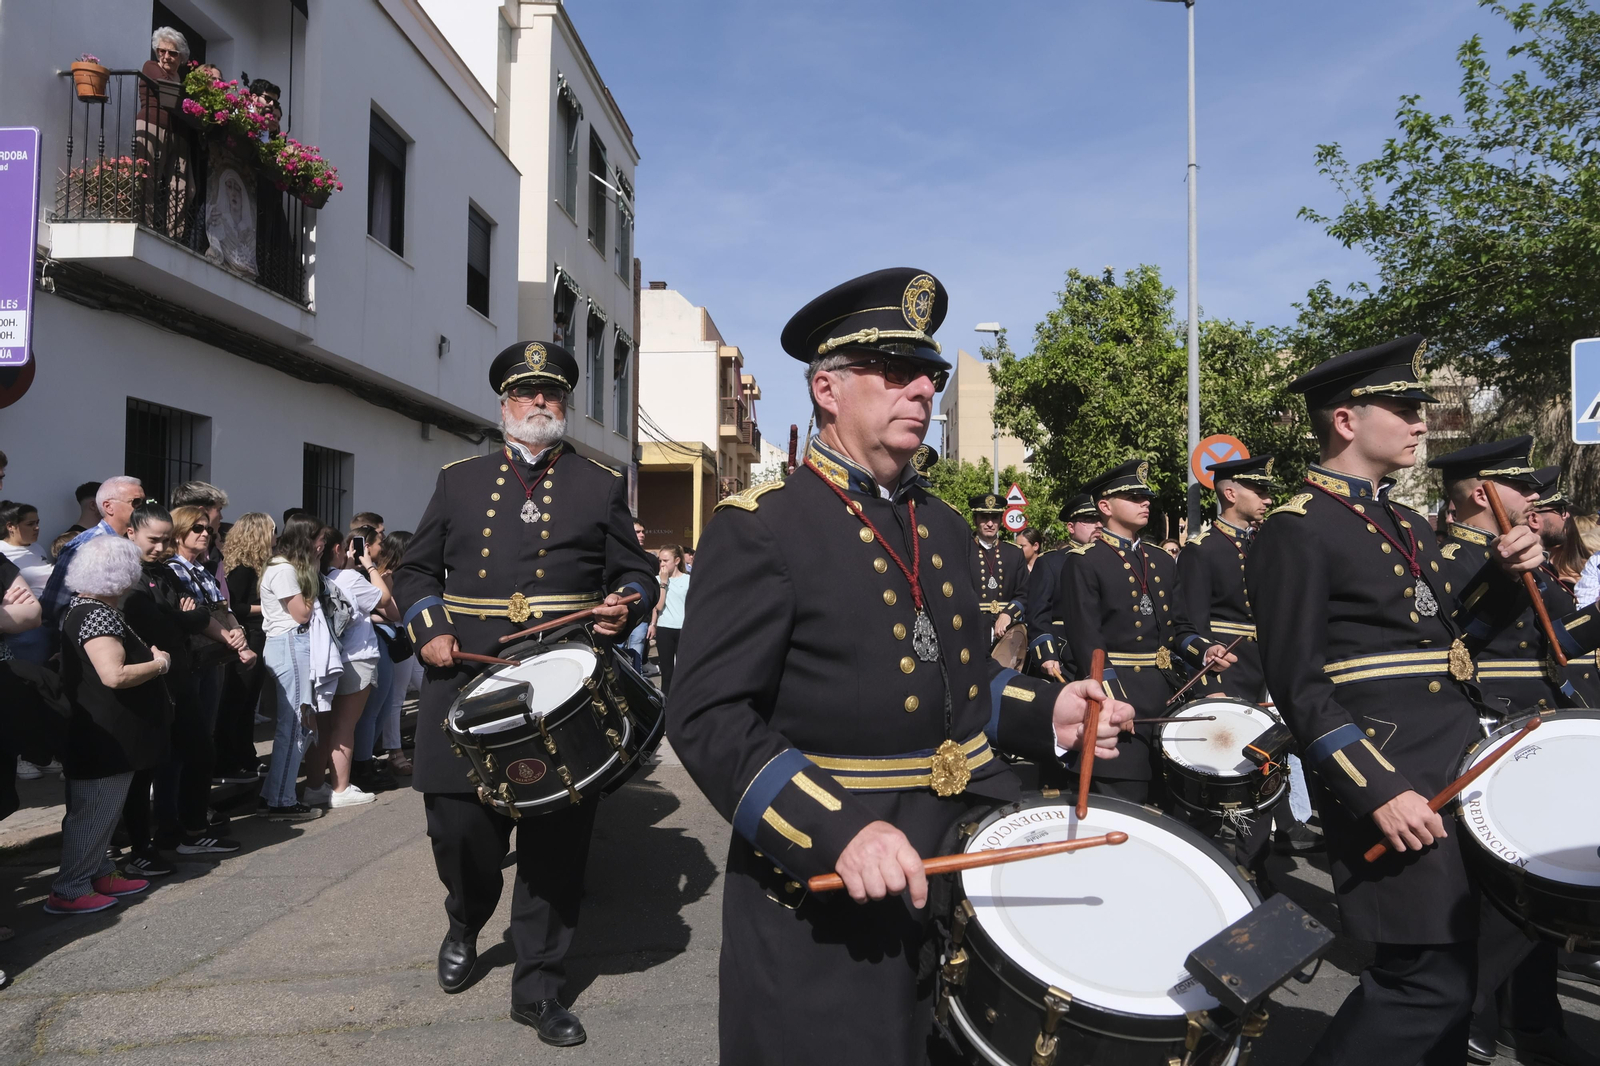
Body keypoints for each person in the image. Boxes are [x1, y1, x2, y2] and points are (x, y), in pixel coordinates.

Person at [666, 268, 1131, 1065]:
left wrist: (1040, 712)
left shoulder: (944, 525)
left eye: (932, 376)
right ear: (826, 389)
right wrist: (834, 828)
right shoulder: (763, 527)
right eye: (894, 370)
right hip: (833, 879)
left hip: (954, 862)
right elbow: (708, 716)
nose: (921, 388)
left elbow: (957, 682)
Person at [1247, 335, 1545, 1066]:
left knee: (1457, 978)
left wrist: (1505, 577)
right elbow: (1300, 686)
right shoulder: (1297, 527)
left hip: (1452, 771)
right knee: (1422, 986)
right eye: (1405, 407)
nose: (1421, 422)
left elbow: (1457, 642)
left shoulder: (1402, 522)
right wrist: (1376, 790)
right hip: (1392, 778)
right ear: (1347, 420)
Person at [392, 338, 658, 1047]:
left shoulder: (599, 484)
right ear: (504, 405)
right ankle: (466, 913)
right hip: (466, 673)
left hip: (561, 679)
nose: (540, 403)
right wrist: (430, 628)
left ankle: (539, 987)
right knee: (458, 826)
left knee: (555, 840)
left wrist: (624, 602)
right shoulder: (458, 480)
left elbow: (638, 574)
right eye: (526, 393)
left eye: (552, 394)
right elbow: (414, 573)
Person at [1426, 440, 1596, 1066]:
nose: (1536, 501)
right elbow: (1453, 641)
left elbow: (1556, 642)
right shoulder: (1443, 560)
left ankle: (1535, 1024)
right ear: (1482, 494)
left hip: (1540, 722)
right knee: (1513, 897)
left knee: (1542, 893)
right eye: (1522, 487)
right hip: (1493, 732)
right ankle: (1468, 1016)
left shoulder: (1527, 560)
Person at [1061, 459, 1234, 803]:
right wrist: (1112, 702)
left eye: (1146, 496)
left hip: (1167, 698)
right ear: (1105, 506)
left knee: (1173, 807)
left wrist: (1206, 651)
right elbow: (1088, 645)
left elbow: (1181, 628)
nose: (1146, 502)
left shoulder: (1161, 560)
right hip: (1119, 699)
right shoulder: (1084, 561)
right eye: (1134, 496)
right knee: (1125, 805)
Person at [50, 536, 172, 915]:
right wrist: (159, 664)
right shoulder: (97, 613)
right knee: (94, 813)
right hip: (104, 735)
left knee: (99, 811)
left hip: (105, 732)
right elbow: (114, 675)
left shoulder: (86, 608)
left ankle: (99, 873)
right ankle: (70, 889)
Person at [300, 529, 392, 809]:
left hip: (325, 659)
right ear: (339, 548)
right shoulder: (349, 577)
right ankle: (340, 788)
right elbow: (385, 599)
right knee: (345, 727)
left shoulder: (314, 576)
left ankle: (315, 786)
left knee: (323, 727)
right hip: (356, 657)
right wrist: (369, 566)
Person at [1176, 456, 1274, 702]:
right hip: (1226, 673)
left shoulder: (1263, 545)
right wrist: (1208, 688)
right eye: (1260, 492)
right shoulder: (1201, 550)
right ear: (1230, 494)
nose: (1268, 500)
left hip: (1268, 670)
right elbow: (1193, 626)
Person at [256, 514, 325, 822]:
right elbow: (302, 614)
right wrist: (312, 574)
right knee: (295, 723)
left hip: (289, 645)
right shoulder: (283, 569)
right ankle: (282, 801)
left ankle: (274, 794)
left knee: (298, 722)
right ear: (305, 539)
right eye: (318, 538)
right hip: (289, 643)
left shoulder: (281, 566)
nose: (322, 543)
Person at [217, 512, 275, 782]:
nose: (276, 536)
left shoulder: (256, 567)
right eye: (272, 531)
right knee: (238, 703)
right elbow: (235, 606)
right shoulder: (243, 569)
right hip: (247, 638)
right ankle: (232, 761)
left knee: (247, 703)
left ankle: (246, 757)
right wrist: (270, 608)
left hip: (256, 636)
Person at [42, 477, 146, 629]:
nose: (143, 509)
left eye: (145, 502)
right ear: (108, 507)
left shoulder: (132, 542)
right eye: (136, 503)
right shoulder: (86, 544)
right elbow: (55, 601)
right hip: (86, 637)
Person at [1025, 492, 1098, 681]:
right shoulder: (1051, 562)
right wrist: (1047, 654)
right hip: (1066, 656)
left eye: (1101, 520)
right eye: (1089, 520)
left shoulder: (1112, 562)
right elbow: (1038, 614)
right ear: (1071, 527)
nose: (1098, 525)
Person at [137, 27, 193, 237]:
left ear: (181, 57)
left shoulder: (182, 78)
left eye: (172, 53)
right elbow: (167, 89)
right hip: (152, 125)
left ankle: (174, 234)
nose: (166, 56)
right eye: (162, 51)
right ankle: (145, 224)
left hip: (178, 135)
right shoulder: (151, 67)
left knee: (185, 187)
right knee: (148, 175)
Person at [370, 531, 417, 776]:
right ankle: (394, 751)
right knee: (395, 698)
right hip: (395, 640)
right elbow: (394, 612)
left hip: (408, 637)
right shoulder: (381, 576)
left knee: (428, 684)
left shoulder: (402, 574)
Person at [967, 493, 1026, 643]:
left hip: (1007, 631)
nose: (990, 523)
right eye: (984, 518)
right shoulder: (964, 550)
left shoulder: (1014, 553)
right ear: (975, 520)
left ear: (1000, 521)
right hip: (973, 628)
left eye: (994, 518)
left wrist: (1008, 613)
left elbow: (1025, 593)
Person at [1, 500, 54, 664]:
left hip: (49, 617)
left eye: (38, 523)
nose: (36, 528)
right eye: (30, 524)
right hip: (26, 626)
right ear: (11, 526)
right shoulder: (3, 551)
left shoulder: (36, 548)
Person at [648, 545, 689, 696]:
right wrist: (663, 584)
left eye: (666, 560)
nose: (662, 564)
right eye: (660, 561)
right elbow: (657, 606)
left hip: (684, 629)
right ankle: (666, 704)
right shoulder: (658, 580)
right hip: (665, 628)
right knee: (667, 671)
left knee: (683, 670)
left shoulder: (688, 580)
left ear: (677, 560)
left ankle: (683, 700)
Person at [623, 521, 650, 672]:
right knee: (616, 656)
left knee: (636, 658)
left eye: (643, 532)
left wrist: (653, 622)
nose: (642, 535)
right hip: (616, 615)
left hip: (641, 619)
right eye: (638, 532)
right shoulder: (616, 557)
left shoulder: (650, 559)